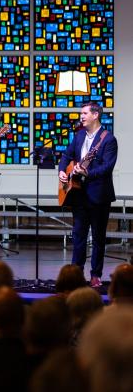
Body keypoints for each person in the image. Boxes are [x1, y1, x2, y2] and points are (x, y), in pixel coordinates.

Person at [58, 102, 117, 288]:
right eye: (81, 113)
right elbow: (66, 156)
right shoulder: (79, 135)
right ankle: (76, 274)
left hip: (99, 196)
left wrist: (87, 173)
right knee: (78, 236)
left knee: (98, 238)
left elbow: (108, 167)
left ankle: (95, 275)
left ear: (95, 115)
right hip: (78, 195)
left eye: (84, 113)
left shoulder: (108, 139)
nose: (81, 116)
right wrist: (61, 170)